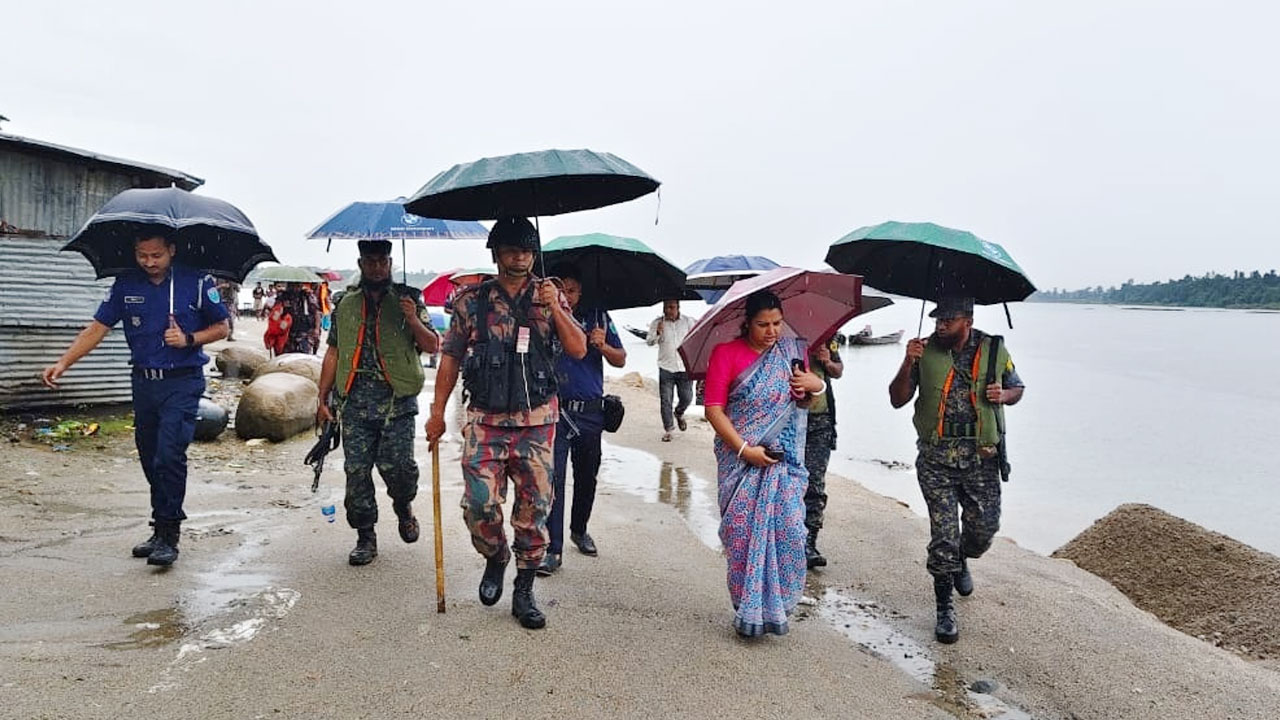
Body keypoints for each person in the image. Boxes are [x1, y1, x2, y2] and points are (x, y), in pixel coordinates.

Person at [425, 217, 586, 630]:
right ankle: (496, 556)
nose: (520, 257)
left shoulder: (549, 296)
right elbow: (450, 358)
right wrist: (437, 412)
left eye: (527, 250)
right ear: (496, 254)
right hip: (486, 420)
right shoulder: (470, 301)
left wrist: (555, 307)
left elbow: (578, 349)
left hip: (537, 423)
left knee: (535, 509)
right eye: (512, 250)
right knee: (479, 504)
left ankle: (524, 589)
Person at [41, 233, 230, 567]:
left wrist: (188, 338)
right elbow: (97, 329)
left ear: (171, 250)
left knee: (169, 455)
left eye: (156, 255)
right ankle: (159, 524)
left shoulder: (196, 281)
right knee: (150, 457)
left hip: (182, 382)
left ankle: (169, 534)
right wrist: (63, 363)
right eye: (142, 255)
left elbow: (221, 327)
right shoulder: (126, 283)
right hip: (144, 383)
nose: (149, 262)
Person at [888, 296, 1025, 644]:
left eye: (949, 319)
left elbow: (1017, 387)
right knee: (944, 537)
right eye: (938, 319)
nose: (941, 324)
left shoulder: (993, 350)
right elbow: (897, 399)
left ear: (968, 320)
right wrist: (908, 361)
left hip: (981, 458)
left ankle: (963, 558)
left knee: (983, 531)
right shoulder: (922, 350)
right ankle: (944, 607)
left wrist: (1003, 395)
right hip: (936, 460)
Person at [703, 290, 825, 637]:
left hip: (782, 464)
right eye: (763, 325)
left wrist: (814, 386)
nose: (772, 331)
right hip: (739, 462)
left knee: (790, 531)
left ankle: (776, 607)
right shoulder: (725, 353)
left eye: (777, 323)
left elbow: (802, 404)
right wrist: (745, 450)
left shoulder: (791, 352)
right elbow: (713, 410)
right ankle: (748, 612)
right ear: (748, 323)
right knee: (741, 537)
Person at [316, 240, 438, 566]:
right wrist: (322, 397)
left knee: (399, 470)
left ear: (391, 262)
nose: (377, 267)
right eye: (370, 261)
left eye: (382, 261)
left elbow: (432, 346)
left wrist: (412, 319)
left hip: (397, 403)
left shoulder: (409, 298)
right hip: (355, 404)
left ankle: (403, 507)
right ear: (360, 264)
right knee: (356, 473)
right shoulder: (344, 303)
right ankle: (365, 536)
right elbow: (334, 351)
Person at [537, 264, 626, 576]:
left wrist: (604, 345)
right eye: (562, 290)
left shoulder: (598, 317)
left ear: (581, 292)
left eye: (573, 291)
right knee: (555, 480)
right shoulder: (545, 316)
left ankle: (579, 529)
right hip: (556, 411)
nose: (568, 296)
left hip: (590, 412)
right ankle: (553, 549)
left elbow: (621, 359)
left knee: (587, 476)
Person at [803, 337, 843, 569]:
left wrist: (827, 362)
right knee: (785, 484)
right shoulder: (781, 335)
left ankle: (809, 542)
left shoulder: (827, 337)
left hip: (821, 422)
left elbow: (838, 371)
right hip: (787, 421)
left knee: (815, 484)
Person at [646, 299, 696, 442]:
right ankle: (669, 430)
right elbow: (649, 342)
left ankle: (679, 413)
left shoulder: (688, 321)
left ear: (678, 307)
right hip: (666, 367)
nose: (668, 310)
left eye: (671, 307)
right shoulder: (657, 322)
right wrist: (657, 332)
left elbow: (697, 337)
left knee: (687, 398)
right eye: (666, 307)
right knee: (666, 400)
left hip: (684, 367)